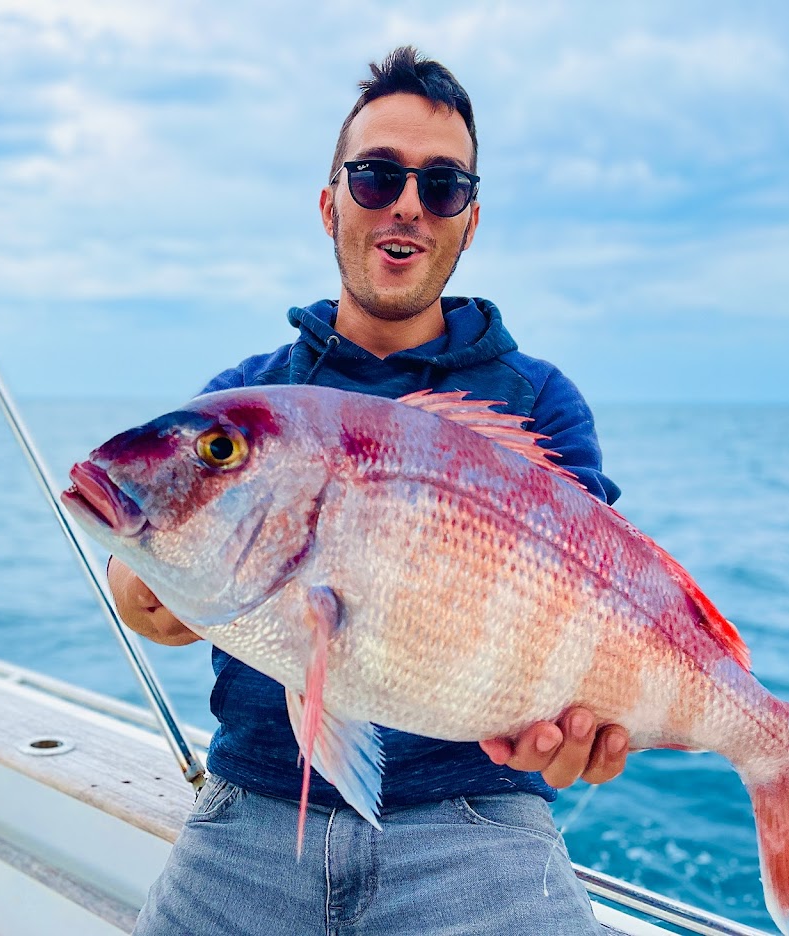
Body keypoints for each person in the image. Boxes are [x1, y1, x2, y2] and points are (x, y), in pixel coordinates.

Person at [110, 46, 630, 936]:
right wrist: (190, 551)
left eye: (443, 187)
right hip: (252, 811)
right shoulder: (252, 396)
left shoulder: (537, 400)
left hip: (479, 823)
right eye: (377, 175)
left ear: (470, 221)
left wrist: (592, 724)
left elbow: (595, 609)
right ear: (330, 203)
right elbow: (145, 605)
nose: (407, 206)